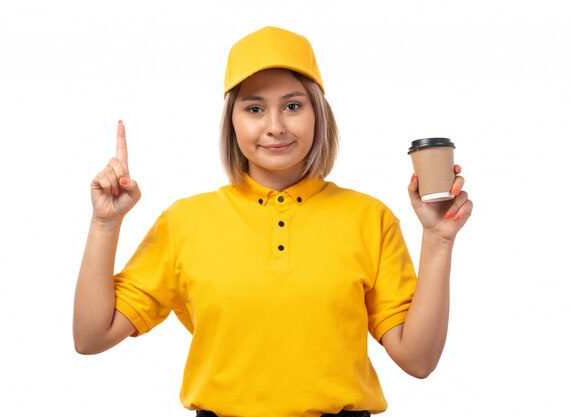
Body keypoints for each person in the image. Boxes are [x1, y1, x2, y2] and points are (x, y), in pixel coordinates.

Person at [73, 26, 473, 417]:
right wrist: (104, 224)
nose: (275, 126)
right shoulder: (185, 222)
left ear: (319, 115)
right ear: (232, 121)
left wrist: (438, 240)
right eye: (254, 108)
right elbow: (92, 337)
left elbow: (418, 361)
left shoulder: (369, 218)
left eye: (293, 105)